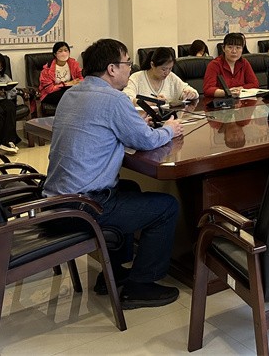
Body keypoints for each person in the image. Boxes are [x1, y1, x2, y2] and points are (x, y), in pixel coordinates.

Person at [43, 38, 182, 309]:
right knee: (167, 207)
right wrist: (170, 129)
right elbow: (146, 141)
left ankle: (112, 273)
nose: (130, 68)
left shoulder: (72, 93)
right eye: (127, 63)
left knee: (130, 188)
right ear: (111, 68)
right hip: (82, 207)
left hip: (56, 202)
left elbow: (103, 127)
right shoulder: (114, 99)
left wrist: (132, 123)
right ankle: (140, 286)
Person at [123, 47, 198, 104]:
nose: (167, 73)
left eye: (170, 68)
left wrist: (190, 94)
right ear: (152, 65)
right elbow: (126, 98)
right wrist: (151, 102)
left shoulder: (171, 77)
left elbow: (189, 90)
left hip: (169, 118)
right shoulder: (136, 78)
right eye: (163, 69)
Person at [203, 32, 260, 97]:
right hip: (222, 101)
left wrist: (240, 88)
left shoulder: (244, 62)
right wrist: (227, 92)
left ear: (242, 49)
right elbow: (208, 89)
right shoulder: (214, 65)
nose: (234, 51)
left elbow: (255, 84)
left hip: (243, 100)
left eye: (238, 48)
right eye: (230, 47)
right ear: (223, 48)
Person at [39, 41, 83, 108]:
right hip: (50, 94)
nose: (63, 53)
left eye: (66, 50)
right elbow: (49, 89)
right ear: (55, 54)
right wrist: (67, 84)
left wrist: (76, 83)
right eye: (60, 51)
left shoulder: (73, 64)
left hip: (68, 90)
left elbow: (81, 78)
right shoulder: (47, 69)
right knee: (69, 96)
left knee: (79, 94)